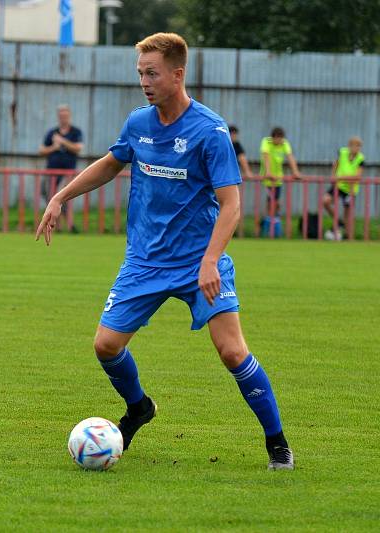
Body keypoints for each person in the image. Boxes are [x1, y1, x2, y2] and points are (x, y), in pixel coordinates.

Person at [36, 33, 294, 470]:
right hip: (144, 261)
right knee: (105, 345)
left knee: (232, 352)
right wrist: (61, 197)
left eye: (152, 73)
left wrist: (211, 260)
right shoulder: (138, 123)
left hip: (199, 262)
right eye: (140, 73)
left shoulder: (209, 131)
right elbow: (112, 161)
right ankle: (139, 407)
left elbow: (232, 204)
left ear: (178, 74)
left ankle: (277, 443)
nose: (144, 81)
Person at [38, 104, 83, 232]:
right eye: (61, 115)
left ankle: (69, 225)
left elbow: (78, 148)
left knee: (63, 197)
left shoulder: (75, 132)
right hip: (51, 172)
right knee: (47, 194)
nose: (63, 117)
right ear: (58, 117)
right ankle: (57, 225)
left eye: (65, 115)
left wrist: (62, 141)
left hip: (67, 173)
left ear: (69, 115)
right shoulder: (52, 133)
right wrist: (54, 147)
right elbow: (41, 150)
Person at [323, 136, 364, 241]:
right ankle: (338, 221)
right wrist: (333, 175)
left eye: (359, 146)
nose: (357, 148)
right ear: (350, 146)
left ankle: (349, 238)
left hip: (350, 189)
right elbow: (336, 163)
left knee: (348, 213)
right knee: (325, 201)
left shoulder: (361, 159)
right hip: (338, 185)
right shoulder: (342, 152)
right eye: (355, 145)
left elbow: (358, 176)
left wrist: (341, 177)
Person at [259, 127, 300, 221]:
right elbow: (266, 155)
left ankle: (273, 219)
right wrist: (268, 172)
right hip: (267, 178)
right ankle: (269, 219)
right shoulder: (266, 141)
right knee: (271, 200)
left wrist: (295, 172)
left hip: (278, 178)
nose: (279, 141)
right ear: (273, 137)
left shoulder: (284, 143)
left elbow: (290, 157)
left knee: (276, 201)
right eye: (277, 138)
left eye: (281, 138)